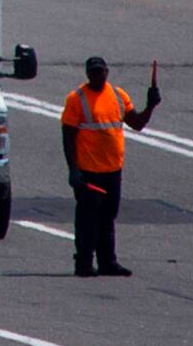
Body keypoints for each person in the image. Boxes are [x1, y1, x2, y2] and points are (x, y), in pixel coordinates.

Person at [61, 55, 162, 276]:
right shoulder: (76, 99)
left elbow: (137, 123)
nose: (98, 75)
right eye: (94, 72)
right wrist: (73, 169)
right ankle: (84, 263)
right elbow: (68, 136)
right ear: (88, 74)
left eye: (101, 71)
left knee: (108, 217)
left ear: (107, 72)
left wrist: (150, 106)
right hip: (89, 171)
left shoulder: (118, 95)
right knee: (88, 218)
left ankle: (107, 261)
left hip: (112, 170)